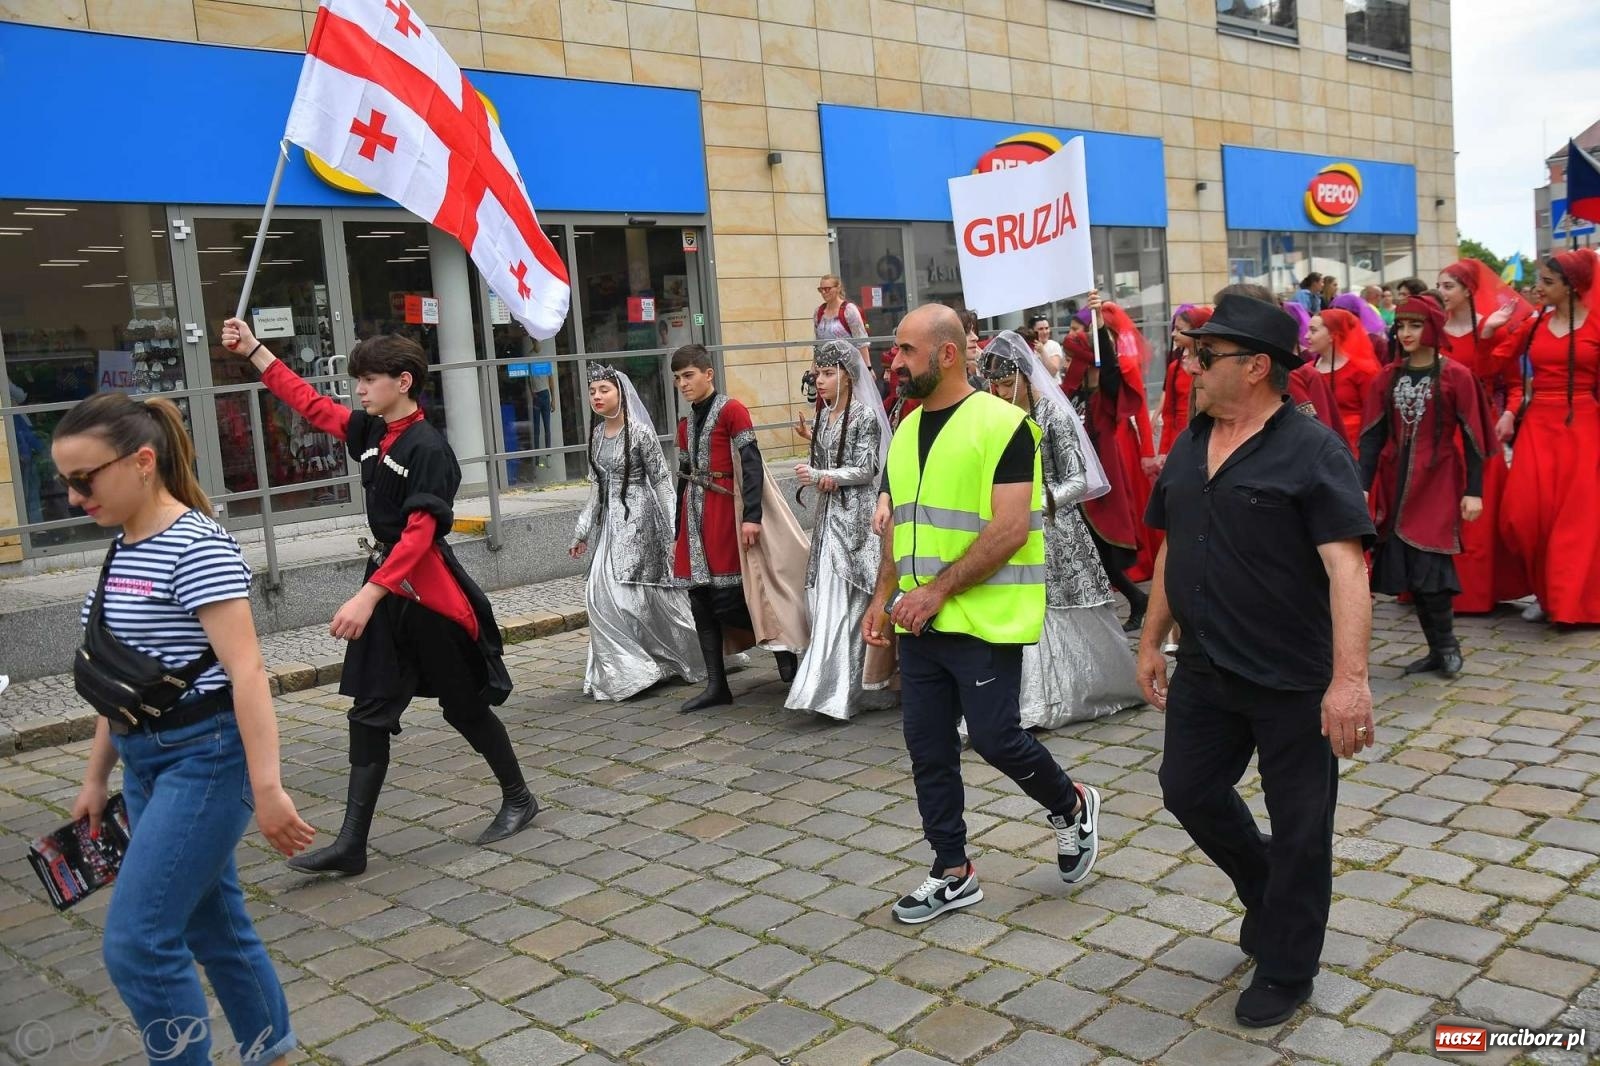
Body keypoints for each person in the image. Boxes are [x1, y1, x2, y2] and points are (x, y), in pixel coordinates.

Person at [1136, 294, 1376, 1028]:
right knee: (1187, 789)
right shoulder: (1191, 441)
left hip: (1292, 677)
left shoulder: (1313, 451)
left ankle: (1287, 966)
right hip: (1207, 666)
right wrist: (1151, 638)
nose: (1190, 365)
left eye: (1205, 355)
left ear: (1256, 367)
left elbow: (1347, 569)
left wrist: (1350, 681)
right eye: (1190, 352)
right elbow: (1173, 542)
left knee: (1301, 826)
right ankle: (1266, 886)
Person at [221, 318, 536, 874]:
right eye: (358, 380)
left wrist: (367, 597)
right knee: (368, 714)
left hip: (427, 596)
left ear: (403, 381)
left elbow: (419, 536)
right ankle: (351, 845)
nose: (359, 390)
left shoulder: (429, 448)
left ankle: (519, 798)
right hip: (387, 587)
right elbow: (310, 405)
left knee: (464, 706)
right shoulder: (370, 430)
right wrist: (254, 351)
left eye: (369, 380)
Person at [56, 392, 314, 1064]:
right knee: (215, 928)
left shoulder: (195, 546)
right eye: (65, 483)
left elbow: (247, 672)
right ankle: (273, 1052)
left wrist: (267, 788)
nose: (75, 498)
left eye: (84, 479)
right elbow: (118, 681)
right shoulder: (121, 549)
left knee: (138, 944)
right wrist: (96, 776)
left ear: (142, 462)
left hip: (206, 760)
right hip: (146, 763)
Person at [866, 303, 1102, 925]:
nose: (893, 362)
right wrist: (883, 596)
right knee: (927, 748)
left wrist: (936, 592)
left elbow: (1010, 528)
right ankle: (952, 870)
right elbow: (900, 527)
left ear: (947, 354)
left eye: (906, 351)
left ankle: (1071, 804)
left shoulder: (1005, 425)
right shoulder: (905, 430)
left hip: (983, 617)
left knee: (997, 739)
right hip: (920, 620)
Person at [982, 331, 1142, 728]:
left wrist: (1038, 501)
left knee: (1060, 605)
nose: (1000, 392)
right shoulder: (997, 417)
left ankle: (1080, 688)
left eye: (1007, 383)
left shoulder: (1054, 415)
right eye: (995, 385)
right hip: (1011, 527)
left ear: (1024, 375)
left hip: (1056, 527)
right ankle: (1025, 696)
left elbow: (1077, 478)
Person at [1359, 298, 1494, 679]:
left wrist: (1474, 490)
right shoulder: (1388, 377)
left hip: (1437, 481)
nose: (1405, 333)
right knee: (1411, 570)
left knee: (1431, 563)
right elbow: (1372, 438)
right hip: (1396, 482)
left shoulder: (1456, 376)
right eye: (1401, 326)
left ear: (1432, 328)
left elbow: (1474, 438)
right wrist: (1362, 486)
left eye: (1415, 326)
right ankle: (1436, 651)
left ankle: (1449, 648)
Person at [671, 343, 810, 711]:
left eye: (688, 375)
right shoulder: (685, 425)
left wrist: (752, 516)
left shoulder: (732, 410)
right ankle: (717, 685)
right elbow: (683, 477)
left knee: (732, 596)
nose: (683, 384)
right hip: (695, 518)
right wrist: (677, 530)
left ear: (708, 374)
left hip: (726, 513)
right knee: (700, 599)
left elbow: (751, 464)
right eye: (678, 378)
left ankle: (782, 647)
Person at [571, 365, 705, 699]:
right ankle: (627, 671)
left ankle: (671, 657)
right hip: (609, 526)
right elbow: (596, 487)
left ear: (621, 393)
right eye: (592, 391)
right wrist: (582, 530)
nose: (597, 396)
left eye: (604, 390)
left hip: (640, 520)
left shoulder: (640, 433)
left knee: (640, 596)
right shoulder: (596, 436)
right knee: (599, 594)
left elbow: (661, 481)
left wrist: (675, 527)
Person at [786, 340, 893, 719]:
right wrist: (819, 469)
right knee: (825, 596)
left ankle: (843, 688)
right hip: (828, 517)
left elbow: (867, 468)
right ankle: (830, 685)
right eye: (818, 374)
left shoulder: (864, 416)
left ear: (848, 376)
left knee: (849, 598)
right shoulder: (822, 417)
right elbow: (824, 462)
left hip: (856, 517)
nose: (820, 381)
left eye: (828, 374)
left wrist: (822, 475)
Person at [1495, 249, 1600, 624]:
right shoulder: (1535, 323)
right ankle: (1544, 587)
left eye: (1547, 281)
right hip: (1538, 425)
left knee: (1575, 520)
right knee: (1525, 515)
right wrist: (1490, 330)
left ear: (1572, 287)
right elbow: (1493, 362)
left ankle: (1565, 600)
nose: (1538, 287)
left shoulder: (1596, 326)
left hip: (1584, 425)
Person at [1436, 258, 1534, 616]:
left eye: (1448, 286)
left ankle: (1477, 590)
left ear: (1468, 291)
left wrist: (1508, 415)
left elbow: (1513, 384)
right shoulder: (1435, 329)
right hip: (1441, 426)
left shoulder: (1490, 327)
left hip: (1482, 426)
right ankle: (1437, 585)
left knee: (1480, 510)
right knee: (1441, 507)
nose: (1441, 292)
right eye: (1439, 286)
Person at [1062, 314, 1150, 631]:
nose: (1068, 365)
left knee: (1103, 552)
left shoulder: (1106, 396)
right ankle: (1127, 604)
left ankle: (1134, 602)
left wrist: (1099, 328)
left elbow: (1110, 368)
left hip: (1103, 484)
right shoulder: (1075, 393)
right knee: (1093, 555)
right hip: (1079, 482)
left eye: (1073, 359)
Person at [1306, 308, 1380, 452]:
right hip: (1315, 446)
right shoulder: (1307, 370)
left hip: (1352, 448)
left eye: (1313, 331)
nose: (1306, 336)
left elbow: (1372, 416)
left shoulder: (1361, 372)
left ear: (1332, 335)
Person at [1160, 305, 1211, 464]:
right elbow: (1168, 412)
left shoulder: (1212, 367)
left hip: (1205, 437)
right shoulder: (1174, 367)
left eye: (1179, 329)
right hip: (1179, 437)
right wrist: (1164, 450)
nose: (1173, 334)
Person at [814, 273, 869, 359]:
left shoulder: (849, 310)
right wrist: (814, 365)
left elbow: (861, 342)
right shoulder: (819, 312)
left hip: (849, 363)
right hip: (826, 363)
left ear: (838, 288)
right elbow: (818, 344)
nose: (823, 292)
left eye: (827, 289)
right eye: (821, 289)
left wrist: (867, 365)